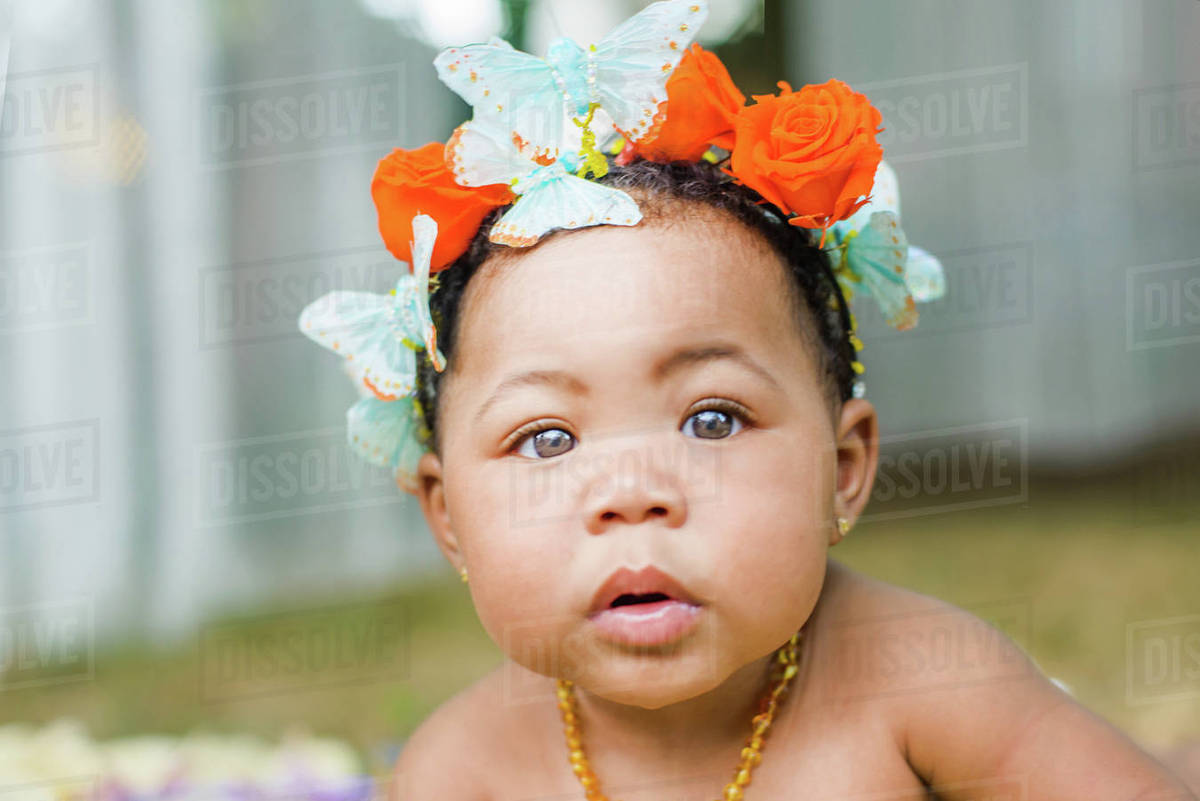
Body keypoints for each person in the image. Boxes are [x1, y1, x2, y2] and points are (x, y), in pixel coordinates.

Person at [299, 2, 1196, 798]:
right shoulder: (460, 770)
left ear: (841, 472)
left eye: (712, 418)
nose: (632, 493)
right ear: (449, 516)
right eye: (545, 439)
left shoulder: (927, 683)